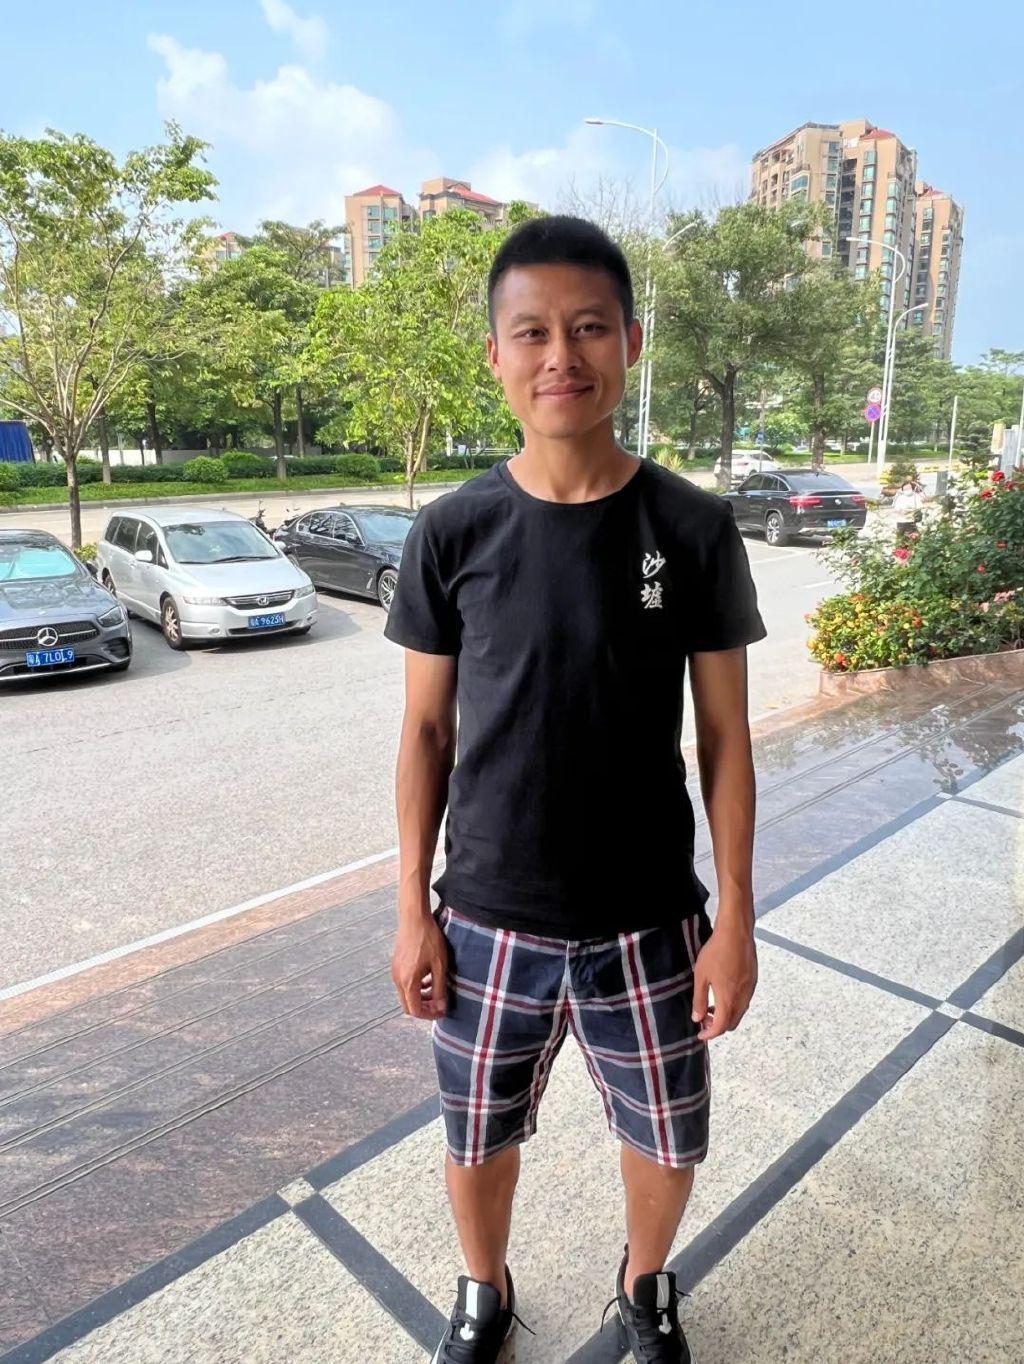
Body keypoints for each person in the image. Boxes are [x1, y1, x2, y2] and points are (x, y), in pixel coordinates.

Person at [384, 216, 766, 1364]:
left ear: (630, 342)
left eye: (589, 327)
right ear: (495, 354)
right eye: (533, 332)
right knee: (476, 1134)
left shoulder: (689, 526)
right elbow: (426, 730)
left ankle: (644, 1290)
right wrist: (410, 908)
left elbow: (724, 737)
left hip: (650, 919)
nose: (562, 355)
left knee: (666, 1134)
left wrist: (736, 914)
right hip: (485, 918)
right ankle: (482, 1286)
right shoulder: (451, 530)